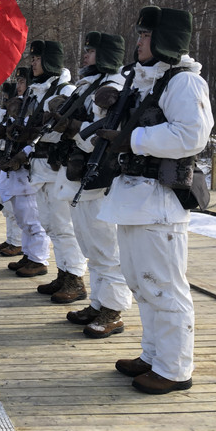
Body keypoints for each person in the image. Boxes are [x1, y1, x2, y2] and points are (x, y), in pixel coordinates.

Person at [96, 6, 213, 394]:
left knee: (164, 287)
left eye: (146, 36)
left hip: (159, 204)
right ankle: (154, 355)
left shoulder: (184, 82)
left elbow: (191, 135)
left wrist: (134, 139)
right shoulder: (151, 81)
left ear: (163, 40)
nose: (139, 42)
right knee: (142, 285)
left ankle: (175, 368)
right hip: (135, 200)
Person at [50, 32, 133, 338]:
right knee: (91, 248)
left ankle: (113, 311)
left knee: (106, 249)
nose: (85, 56)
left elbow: (105, 136)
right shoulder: (91, 85)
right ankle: (99, 304)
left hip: (101, 178)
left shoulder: (113, 87)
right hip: (83, 177)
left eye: (92, 51)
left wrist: (73, 129)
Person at [5, 41, 87, 303]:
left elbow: (62, 130)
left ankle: (75, 277)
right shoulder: (37, 92)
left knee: (64, 226)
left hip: (56, 168)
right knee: (51, 225)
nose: (33, 63)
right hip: (39, 169)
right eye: (33, 58)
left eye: (38, 59)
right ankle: (63, 273)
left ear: (51, 61)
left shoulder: (66, 90)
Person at [0, 68, 51, 276]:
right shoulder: (20, 108)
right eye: (19, 81)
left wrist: (21, 153)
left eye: (23, 81)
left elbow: (36, 137)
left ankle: (39, 259)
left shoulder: (35, 106)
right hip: (13, 172)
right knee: (23, 219)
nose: (19, 85)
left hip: (26, 172)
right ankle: (29, 254)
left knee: (32, 219)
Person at [0, 70, 28, 258]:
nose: (5, 101)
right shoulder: (6, 115)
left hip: (14, 165)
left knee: (15, 209)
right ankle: (12, 239)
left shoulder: (20, 113)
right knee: (8, 208)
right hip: (2, 164)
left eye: (7, 97)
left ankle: (18, 242)